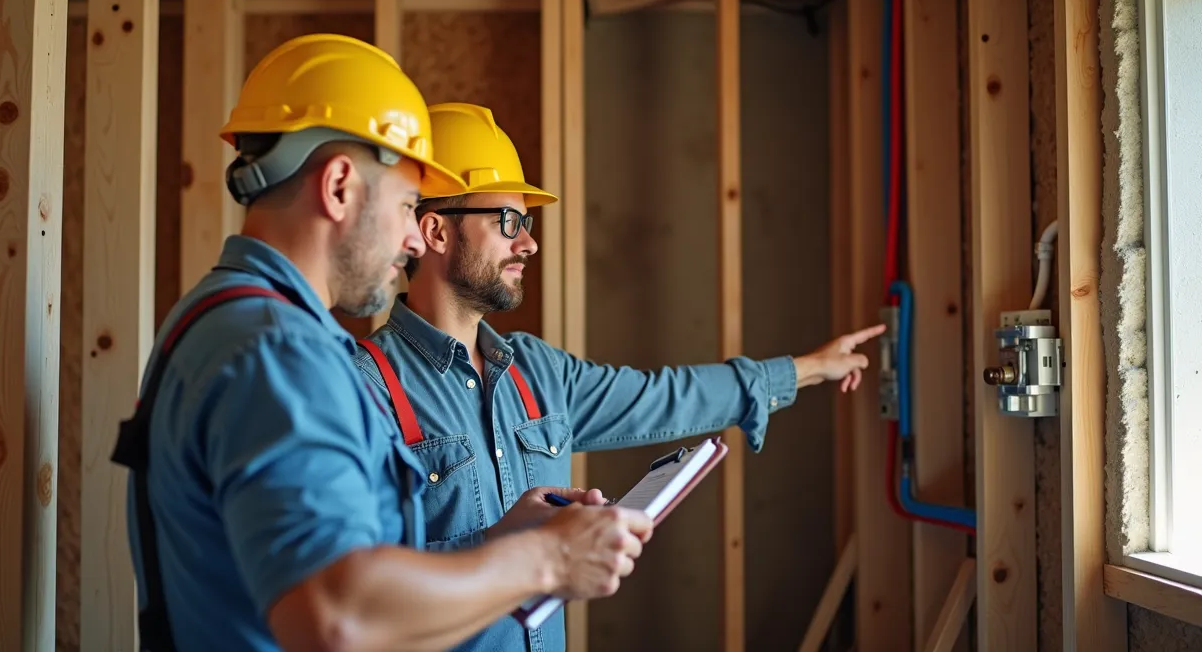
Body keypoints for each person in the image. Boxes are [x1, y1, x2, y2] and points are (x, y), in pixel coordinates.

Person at [114, 36, 654, 652]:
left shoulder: (218, 317)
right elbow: (340, 614)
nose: (415, 240)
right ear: (340, 185)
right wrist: (548, 560)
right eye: (405, 204)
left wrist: (500, 541)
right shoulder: (280, 352)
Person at [351, 101, 886, 652]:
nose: (529, 243)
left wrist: (810, 369)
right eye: (507, 221)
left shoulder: (538, 373)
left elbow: (665, 398)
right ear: (436, 231)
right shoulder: (364, 387)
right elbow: (353, 591)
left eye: (526, 224)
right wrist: (508, 547)